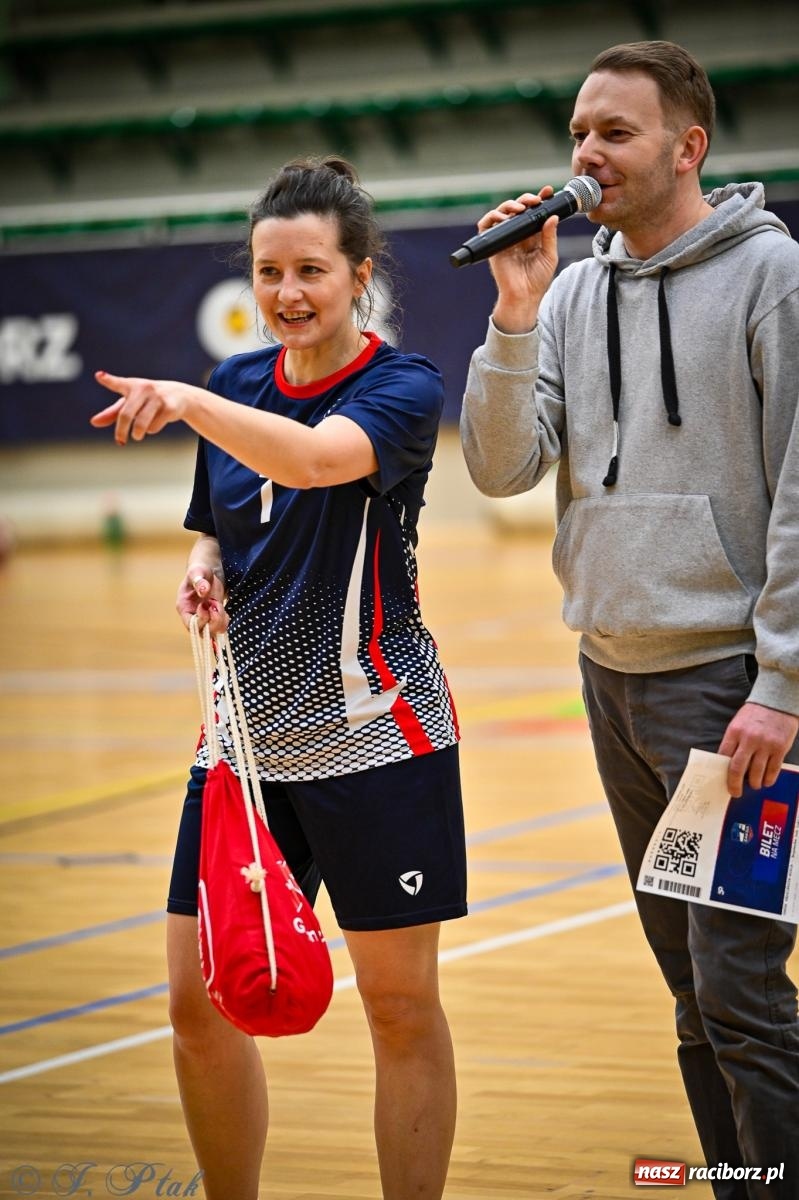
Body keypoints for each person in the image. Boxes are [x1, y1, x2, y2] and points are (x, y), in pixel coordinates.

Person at [459, 39, 799, 1200]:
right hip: (610, 677)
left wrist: (781, 686)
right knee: (690, 990)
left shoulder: (770, 277)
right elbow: (501, 470)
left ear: (686, 147)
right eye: (576, 133)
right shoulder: (566, 292)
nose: (585, 154)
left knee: (741, 989)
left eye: (612, 132)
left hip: (726, 691)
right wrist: (512, 313)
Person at [91, 156, 466, 1200]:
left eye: (310, 271)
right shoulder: (235, 389)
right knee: (196, 1005)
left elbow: (309, 462)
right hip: (242, 753)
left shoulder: (402, 386)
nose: (286, 295)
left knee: (396, 1009)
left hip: (377, 737)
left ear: (358, 276)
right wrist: (200, 569)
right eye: (267, 273)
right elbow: (219, 527)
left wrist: (184, 400)